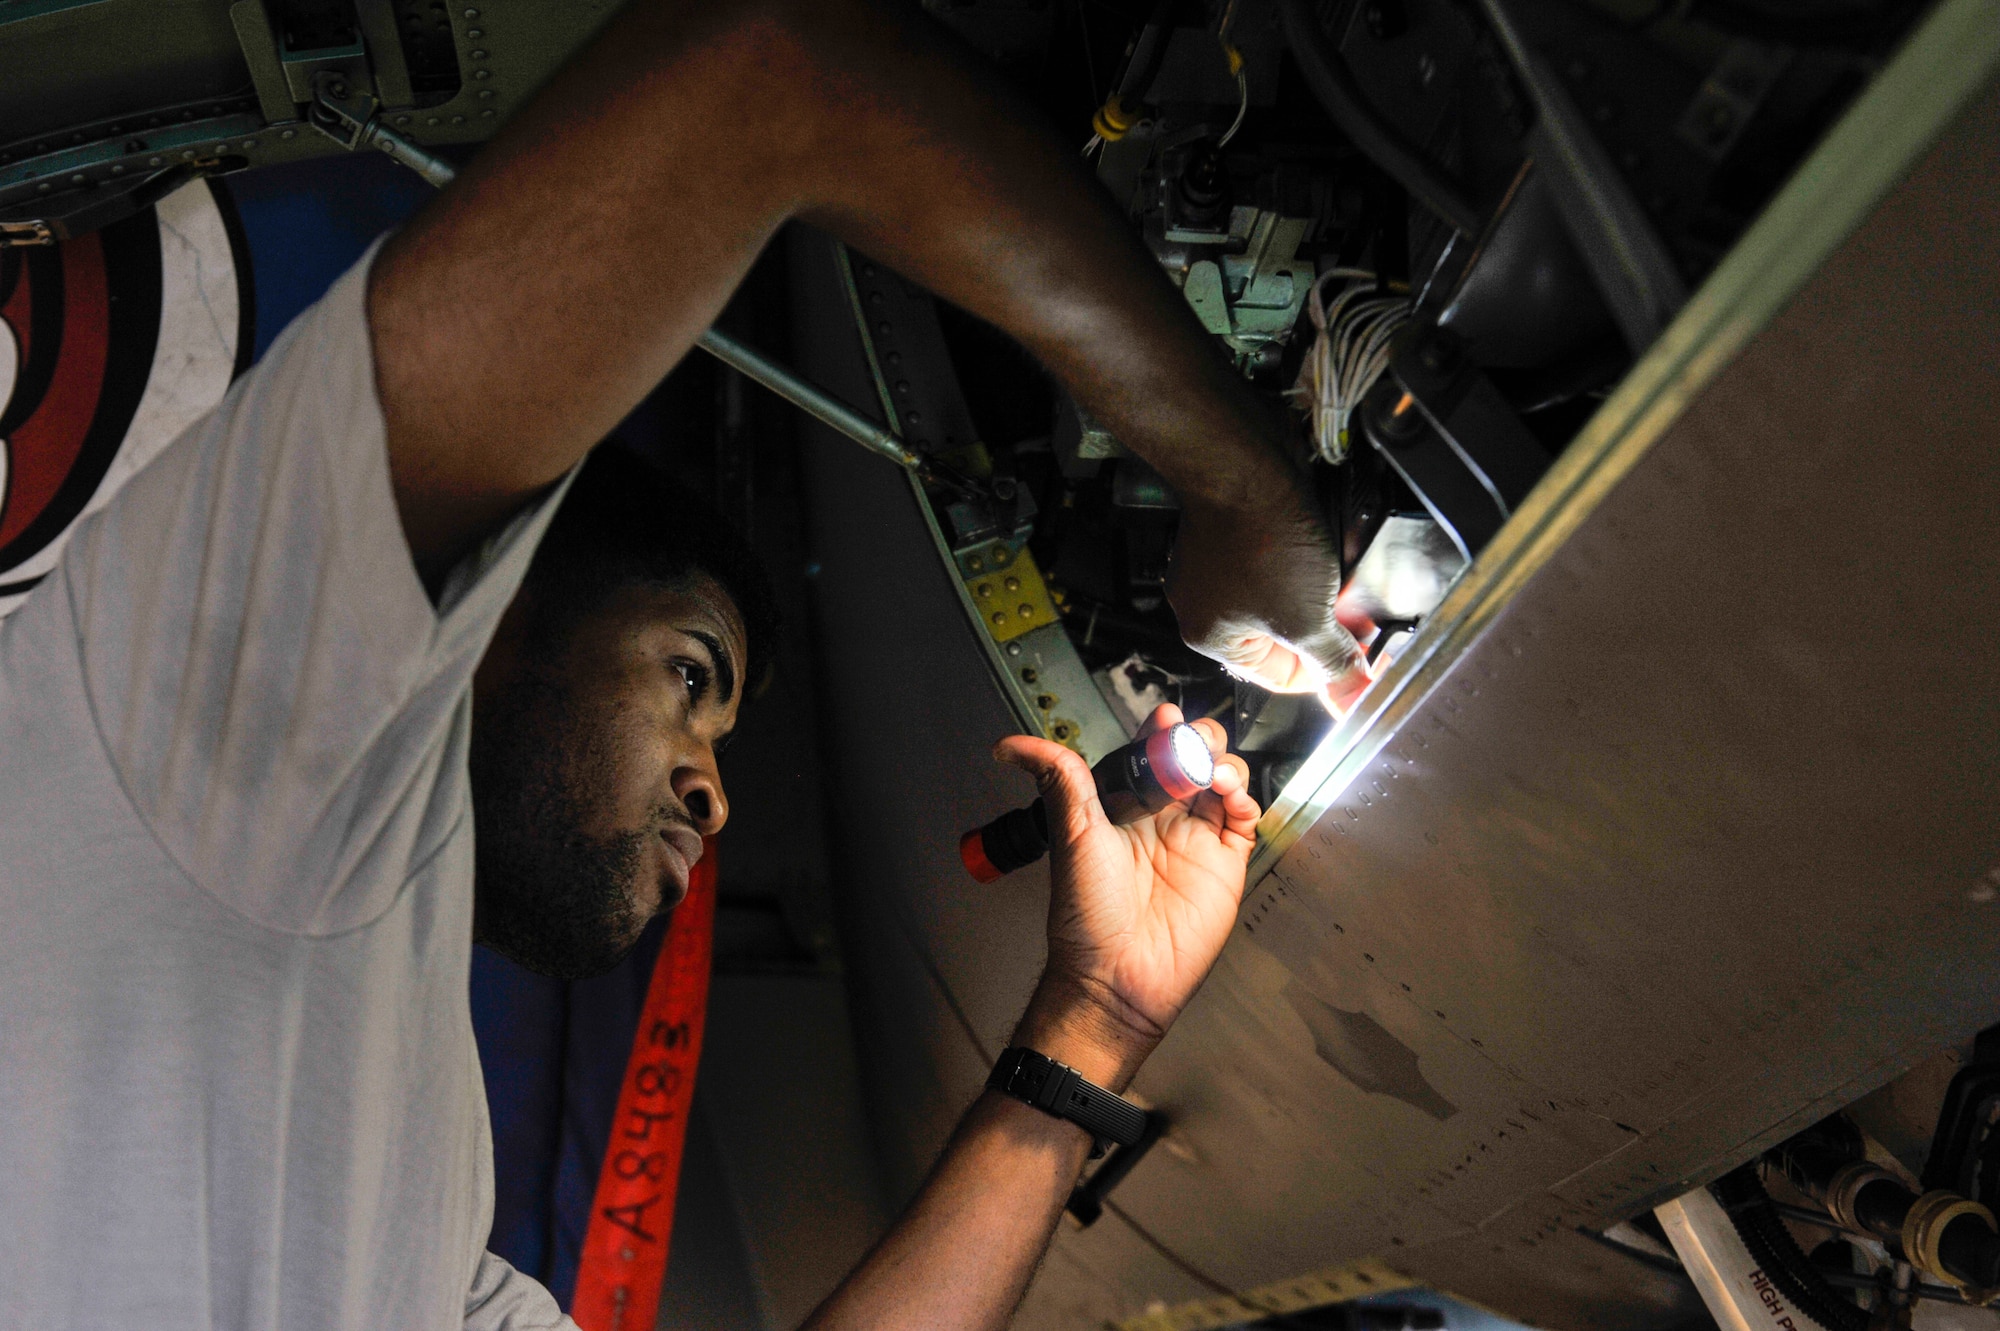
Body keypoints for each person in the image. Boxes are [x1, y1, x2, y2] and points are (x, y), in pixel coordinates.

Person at [0, 0, 1347, 1325]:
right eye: (693, 679)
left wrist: (1093, 1022)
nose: (712, 793)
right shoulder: (197, 718)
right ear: (491, 603)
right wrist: (1247, 499)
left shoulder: (399, 1204)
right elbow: (769, 65)